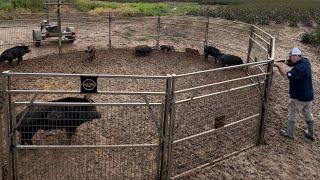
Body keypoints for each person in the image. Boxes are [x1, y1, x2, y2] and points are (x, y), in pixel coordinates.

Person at [273, 47, 315, 141]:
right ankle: (311, 133)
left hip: (298, 96)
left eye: (291, 56)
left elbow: (286, 75)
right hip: (308, 96)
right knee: (308, 113)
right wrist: (280, 60)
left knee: (293, 113)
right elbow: (290, 62)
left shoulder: (298, 69)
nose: (290, 58)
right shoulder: (305, 61)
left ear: (296, 56)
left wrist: (278, 66)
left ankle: (289, 133)